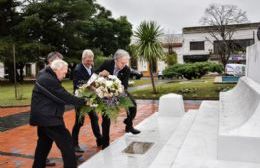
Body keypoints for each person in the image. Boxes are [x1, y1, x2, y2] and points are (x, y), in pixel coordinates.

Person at [30, 59, 88, 168]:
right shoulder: (48, 79)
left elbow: (59, 96)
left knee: (43, 145)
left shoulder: (46, 76)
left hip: (44, 117)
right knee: (68, 145)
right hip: (49, 118)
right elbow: (63, 96)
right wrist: (84, 101)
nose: (65, 75)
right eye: (64, 72)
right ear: (57, 69)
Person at [97, 49, 141, 147]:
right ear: (116, 60)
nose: (124, 65)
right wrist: (100, 74)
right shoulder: (107, 63)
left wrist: (118, 89)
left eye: (126, 63)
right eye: (122, 63)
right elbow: (95, 74)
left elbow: (124, 86)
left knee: (132, 105)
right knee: (106, 117)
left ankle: (128, 125)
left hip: (119, 90)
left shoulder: (126, 69)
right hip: (106, 92)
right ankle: (105, 143)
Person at [71, 49, 103, 152]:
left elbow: (93, 80)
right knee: (79, 122)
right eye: (88, 60)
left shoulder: (91, 68)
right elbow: (79, 85)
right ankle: (74, 144)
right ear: (83, 59)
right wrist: (92, 88)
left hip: (90, 99)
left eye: (91, 59)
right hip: (80, 99)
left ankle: (99, 139)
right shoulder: (78, 69)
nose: (90, 62)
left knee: (94, 118)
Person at [37, 51, 64, 167]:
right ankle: (68, 154)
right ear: (50, 61)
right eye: (59, 61)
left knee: (44, 138)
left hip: (51, 111)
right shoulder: (43, 73)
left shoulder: (54, 73)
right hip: (46, 112)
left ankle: (43, 159)